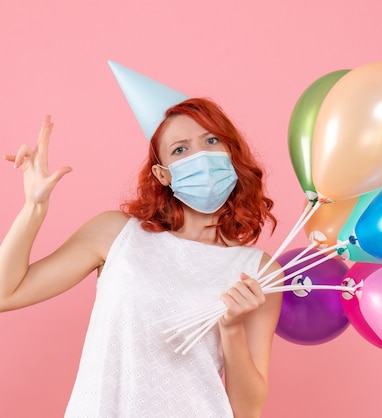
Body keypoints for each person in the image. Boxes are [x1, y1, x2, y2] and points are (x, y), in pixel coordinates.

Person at [0, 98, 283, 418]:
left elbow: (247, 411)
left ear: (231, 154)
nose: (200, 155)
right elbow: (5, 293)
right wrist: (34, 207)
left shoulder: (259, 271)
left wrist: (231, 329)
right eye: (180, 150)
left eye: (211, 140)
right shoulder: (116, 234)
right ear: (163, 175)